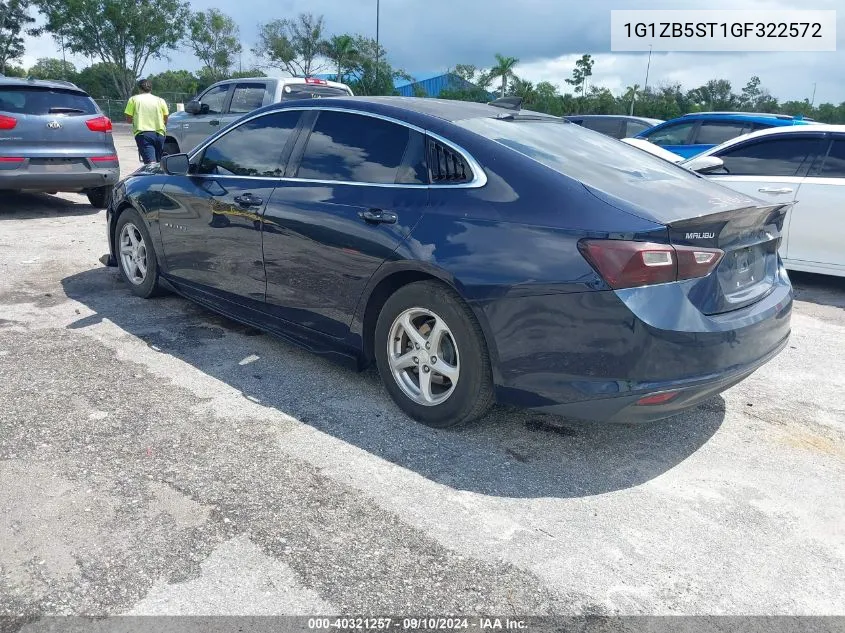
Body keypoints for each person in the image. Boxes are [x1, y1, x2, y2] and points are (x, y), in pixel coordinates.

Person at [124, 79, 169, 164]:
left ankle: (152, 177)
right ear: (151, 89)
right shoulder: (160, 100)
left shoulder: (133, 100)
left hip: (143, 134)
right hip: (159, 134)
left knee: (150, 165)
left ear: (139, 89)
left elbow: (129, 119)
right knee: (159, 164)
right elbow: (166, 117)